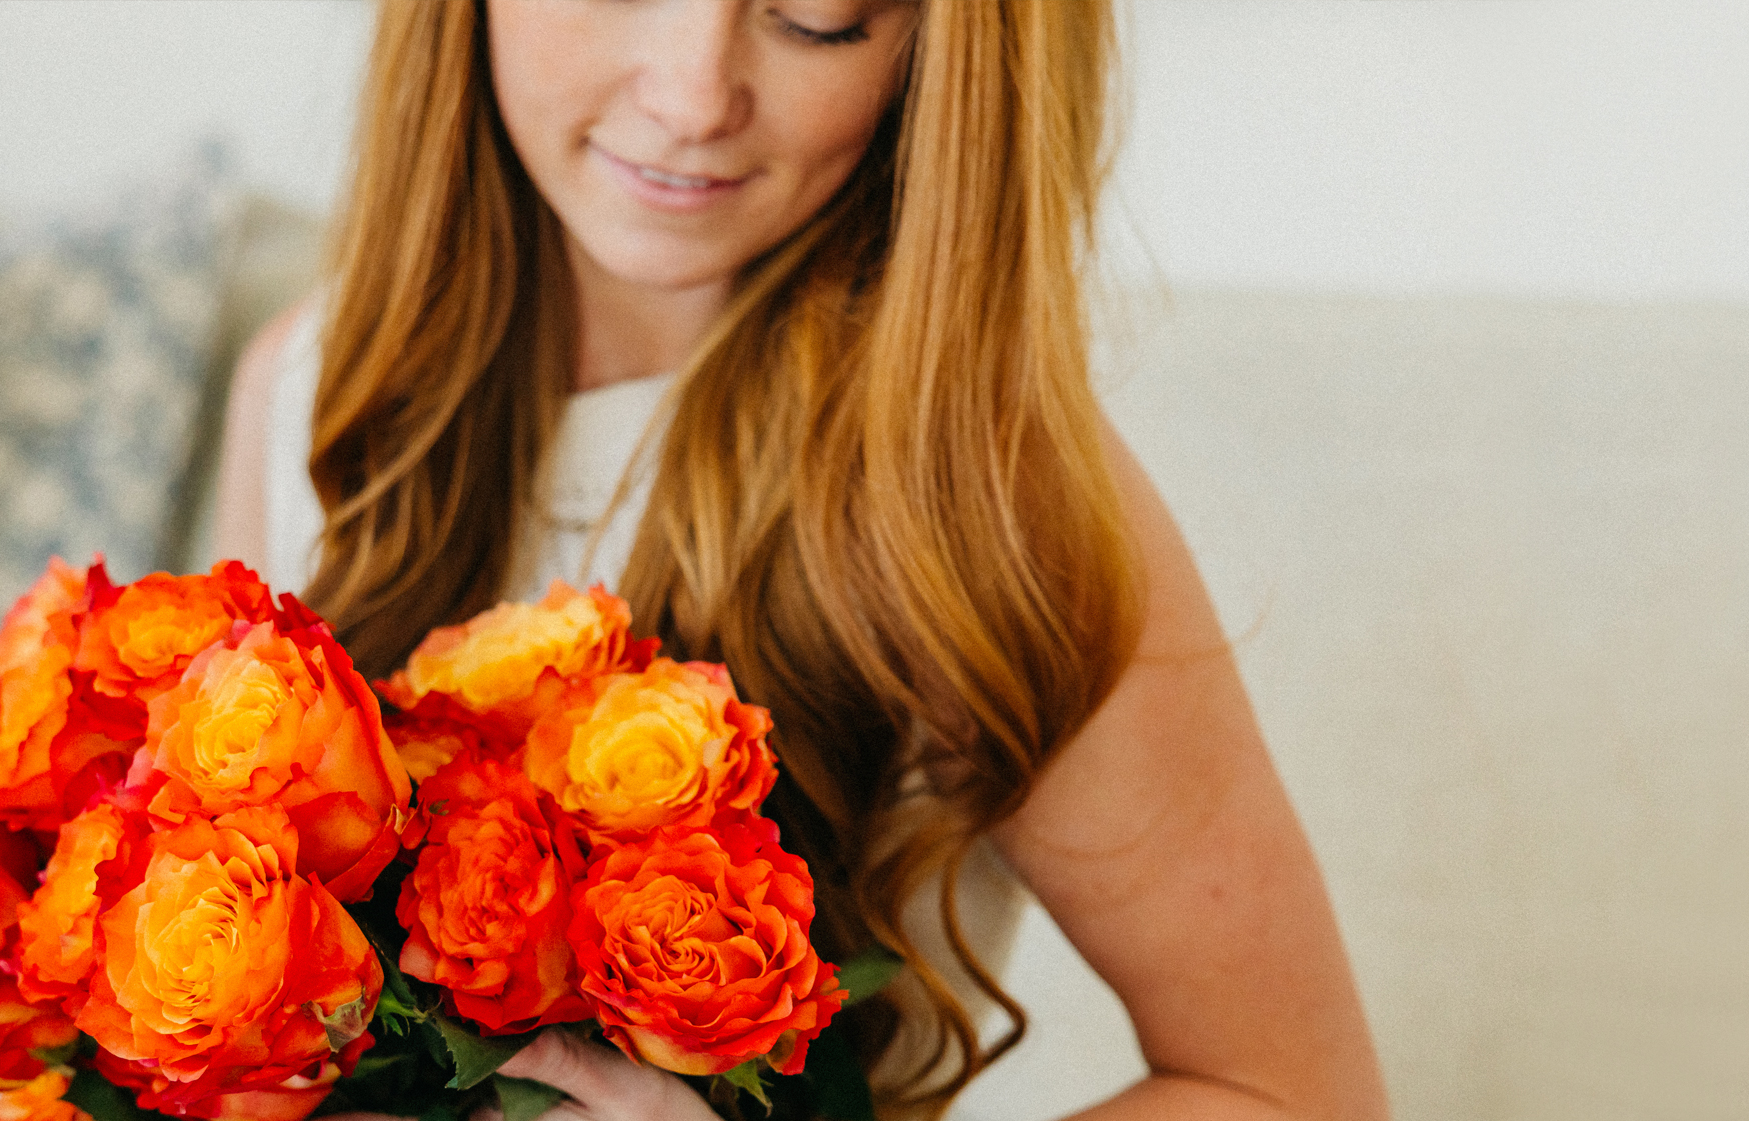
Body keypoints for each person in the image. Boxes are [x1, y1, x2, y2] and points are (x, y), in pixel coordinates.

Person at [211, 2, 1389, 1119]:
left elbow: (1292, 1091)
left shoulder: (972, 494)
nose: (688, 97)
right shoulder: (306, 385)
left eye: (815, 17)